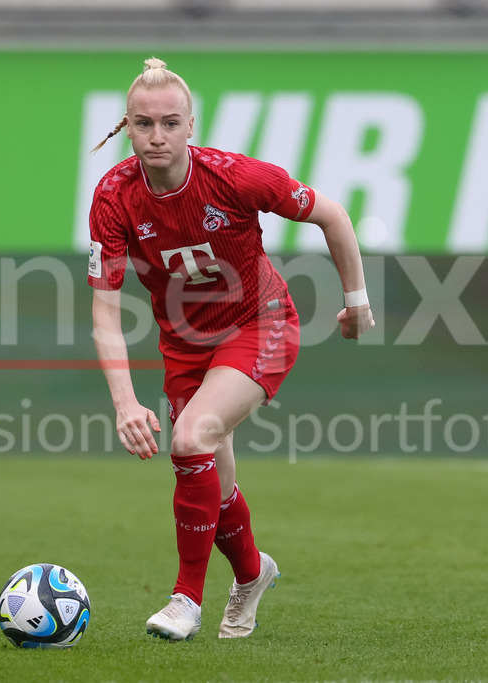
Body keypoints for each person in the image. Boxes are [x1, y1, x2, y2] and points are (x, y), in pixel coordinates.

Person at [88, 57, 374, 641]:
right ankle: (251, 572)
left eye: (170, 123)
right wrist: (125, 403)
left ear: (191, 125)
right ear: (128, 126)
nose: (157, 136)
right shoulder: (114, 197)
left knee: (189, 440)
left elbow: (333, 215)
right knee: (210, 481)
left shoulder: (236, 178)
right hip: (183, 345)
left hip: (259, 323)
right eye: (144, 123)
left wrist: (357, 301)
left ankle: (185, 600)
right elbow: (105, 310)